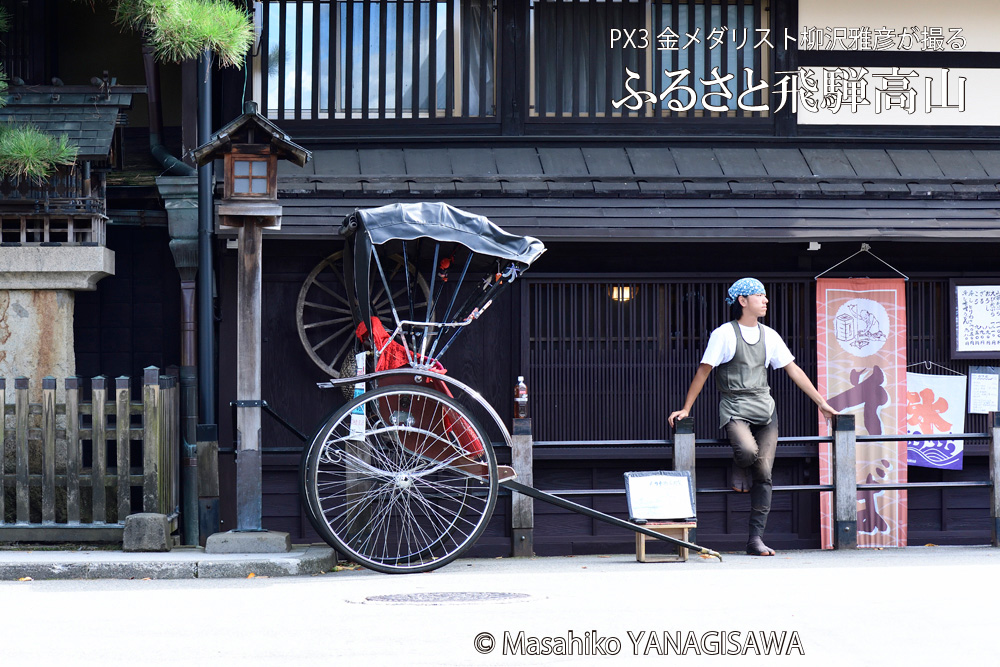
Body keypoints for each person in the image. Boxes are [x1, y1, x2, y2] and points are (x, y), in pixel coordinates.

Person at [668, 278, 837, 557]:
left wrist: (822, 403)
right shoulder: (724, 334)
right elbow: (704, 371)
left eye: (765, 295)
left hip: (765, 409)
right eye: (759, 295)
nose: (765, 300)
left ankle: (755, 539)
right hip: (734, 406)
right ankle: (740, 463)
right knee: (747, 452)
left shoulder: (770, 335)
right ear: (742, 301)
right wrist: (686, 408)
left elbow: (793, 370)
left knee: (764, 473)